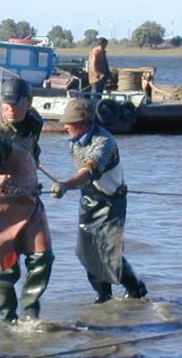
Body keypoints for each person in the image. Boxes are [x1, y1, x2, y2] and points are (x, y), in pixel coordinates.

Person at [49, 99, 148, 303]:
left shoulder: (104, 142)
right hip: (89, 198)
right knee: (87, 251)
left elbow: (88, 172)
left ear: (84, 122)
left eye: (70, 122)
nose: (65, 126)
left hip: (111, 200)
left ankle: (136, 288)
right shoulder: (74, 140)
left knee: (108, 251)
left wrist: (66, 184)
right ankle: (103, 295)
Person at [0, 77, 54, 323]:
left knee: (43, 258)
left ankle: (31, 314)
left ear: (28, 102)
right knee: (8, 268)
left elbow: (34, 151)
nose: (10, 109)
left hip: (29, 200)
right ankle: (8, 319)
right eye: (6, 103)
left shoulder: (34, 122)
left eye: (16, 104)